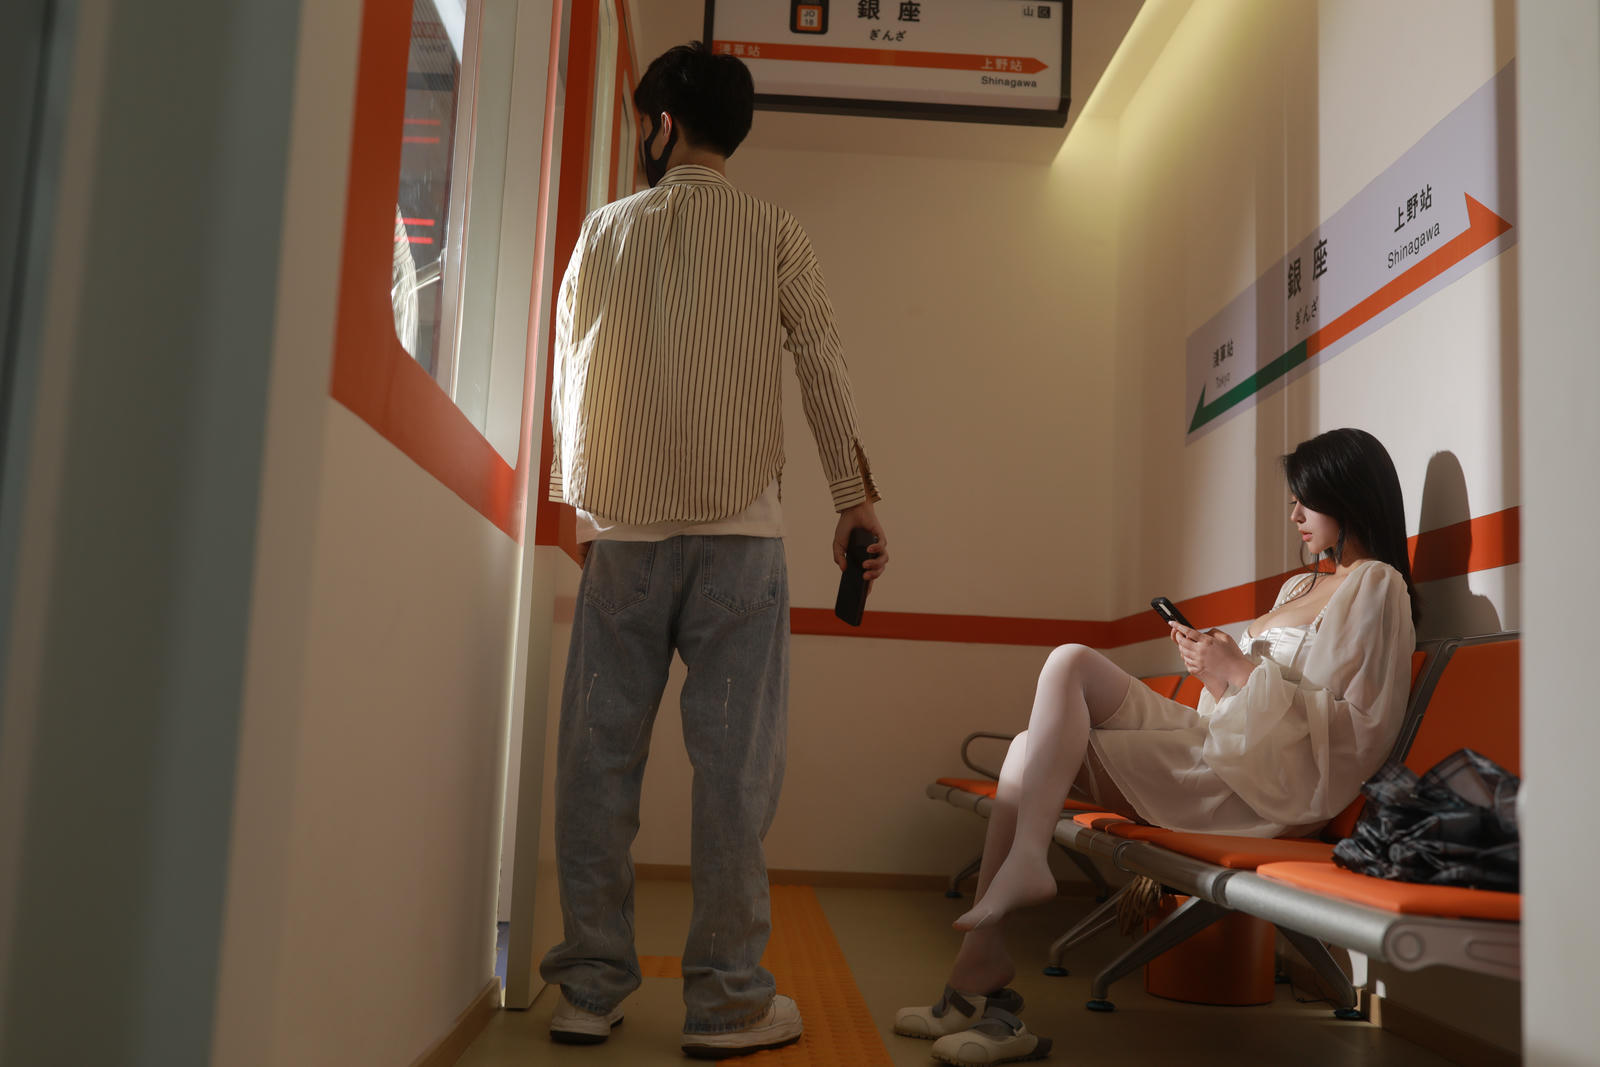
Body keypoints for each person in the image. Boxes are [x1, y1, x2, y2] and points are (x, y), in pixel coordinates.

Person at [538, 41, 887, 1059]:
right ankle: (729, 1002)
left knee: (596, 760)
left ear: (660, 126)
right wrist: (854, 500)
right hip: (742, 536)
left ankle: (589, 989)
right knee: (734, 773)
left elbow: (570, 367)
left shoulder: (605, 230)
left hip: (624, 537)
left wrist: (582, 506)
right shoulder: (776, 231)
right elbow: (822, 364)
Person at [895, 428, 1417, 1065]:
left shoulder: (1377, 585)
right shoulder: (1297, 589)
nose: (1295, 516)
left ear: (1347, 495)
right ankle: (1011, 895)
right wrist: (1214, 671)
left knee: (1029, 749)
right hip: (1227, 748)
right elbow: (1245, 704)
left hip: (1269, 789)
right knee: (1069, 661)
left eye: (1305, 501)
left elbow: (1359, 729)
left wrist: (1238, 670)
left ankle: (978, 967)